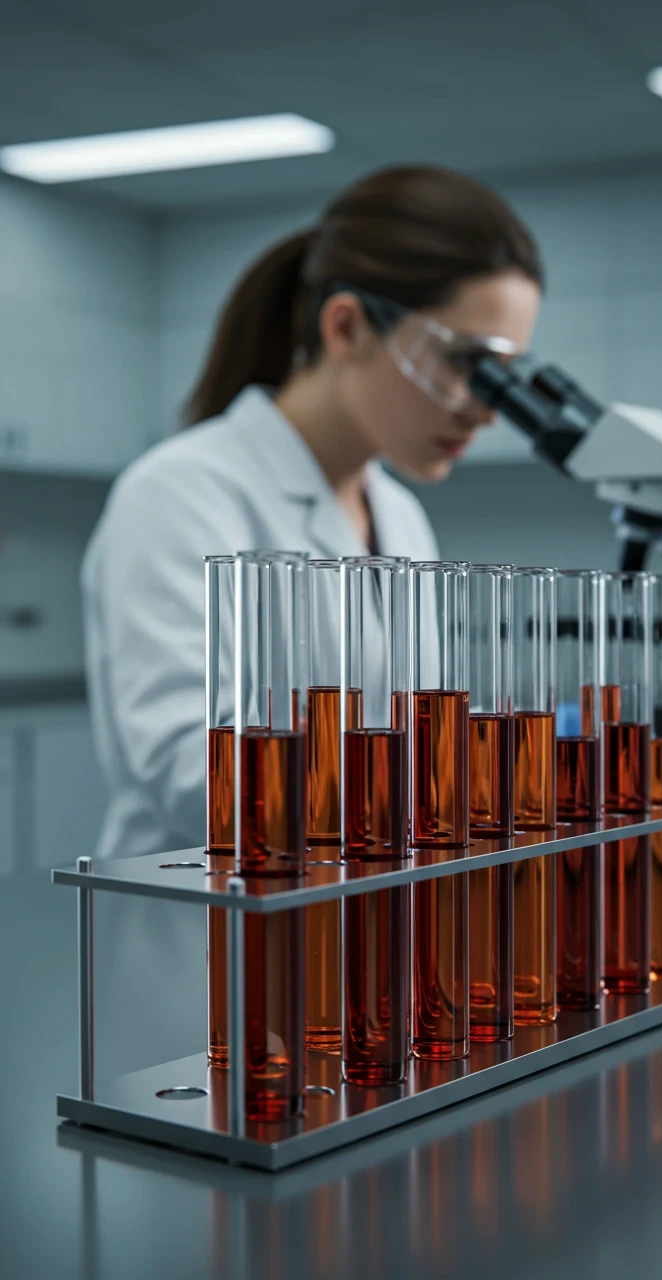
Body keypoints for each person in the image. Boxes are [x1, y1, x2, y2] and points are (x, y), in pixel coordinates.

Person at [82, 164, 543, 860]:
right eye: (462, 363)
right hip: (207, 934)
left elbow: (418, 732)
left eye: (500, 375)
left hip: (363, 921)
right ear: (347, 326)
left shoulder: (401, 514)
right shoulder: (180, 491)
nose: (483, 408)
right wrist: (452, 782)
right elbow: (192, 772)